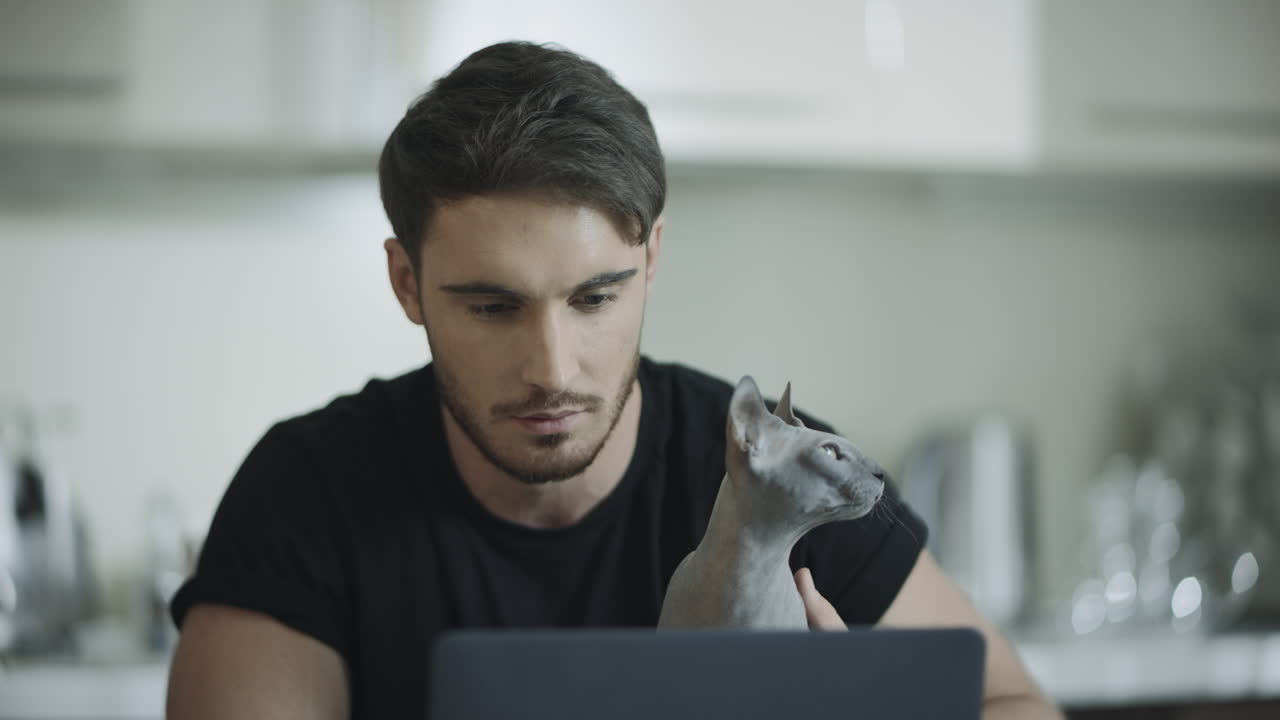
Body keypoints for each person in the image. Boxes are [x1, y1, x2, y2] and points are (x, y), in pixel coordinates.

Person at [165, 41, 1061, 720]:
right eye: (491, 307)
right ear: (408, 284)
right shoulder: (306, 495)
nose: (552, 369)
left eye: (595, 298)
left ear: (653, 257)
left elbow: (1017, 705)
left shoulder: (787, 481)